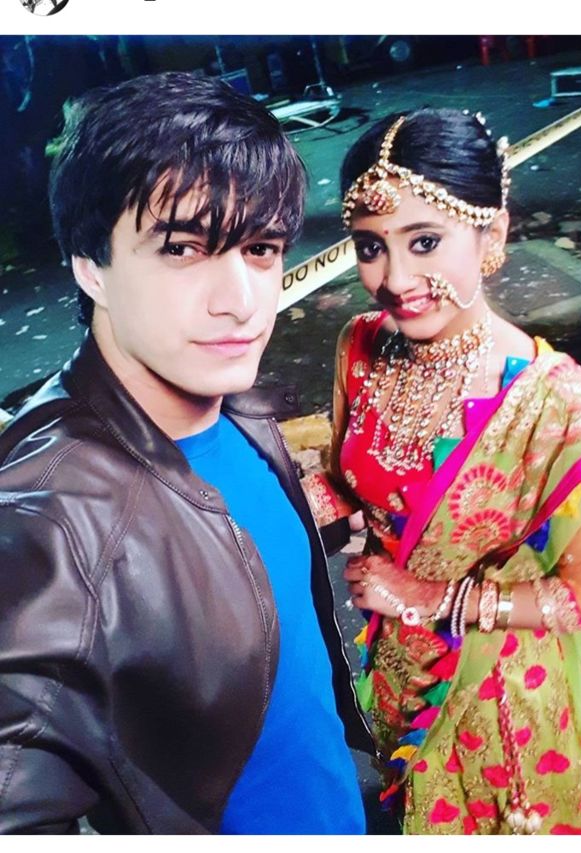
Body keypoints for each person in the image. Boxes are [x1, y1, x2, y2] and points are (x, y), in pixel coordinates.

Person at [0, 72, 374, 834]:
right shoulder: (50, 516)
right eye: (182, 248)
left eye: (261, 249)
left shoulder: (236, 403)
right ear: (90, 264)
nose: (240, 300)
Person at [304, 108, 581, 834]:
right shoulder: (361, 344)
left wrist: (426, 595)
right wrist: (247, 516)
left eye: (425, 241)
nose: (396, 279)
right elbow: (353, 482)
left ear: (493, 235)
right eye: (371, 247)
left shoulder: (557, 404)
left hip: (512, 701)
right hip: (397, 667)